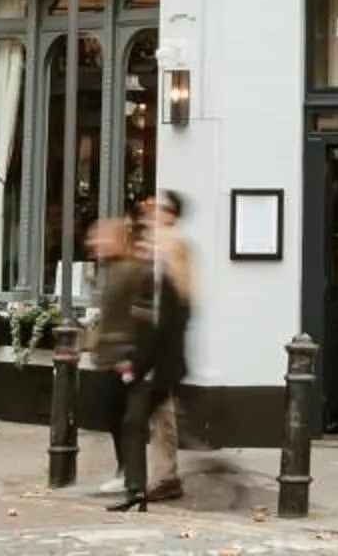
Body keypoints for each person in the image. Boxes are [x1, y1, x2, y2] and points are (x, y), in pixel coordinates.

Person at [110, 211, 188, 514]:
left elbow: (161, 334)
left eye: (152, 244)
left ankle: (137, 491)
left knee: (133, 422)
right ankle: (139, 490)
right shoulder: (159, 282)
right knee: (136, 422)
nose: (148, 248)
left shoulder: (169, 286)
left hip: (162, 368)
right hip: (159, 366)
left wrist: (135, 367)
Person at [85, 217, 148, 496]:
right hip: (111, 353)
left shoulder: (130, 270)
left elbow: (136, 313)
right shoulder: (111, 269)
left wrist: (130, 353)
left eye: (100, 238)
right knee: (115, 415)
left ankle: (131, 475)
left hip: (123, 354)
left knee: (125, 417)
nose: (94, 243)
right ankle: (126, 472)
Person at [139, 191, 194, 503]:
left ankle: (164, 476)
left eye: (160, 209)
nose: (154, 212)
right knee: (162, 412)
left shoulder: (174, 247)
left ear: (171, 213)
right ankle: (163, 475)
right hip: (163, 345)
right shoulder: (163, 245)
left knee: (158, 411)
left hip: (166, 346)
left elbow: (179, 303)